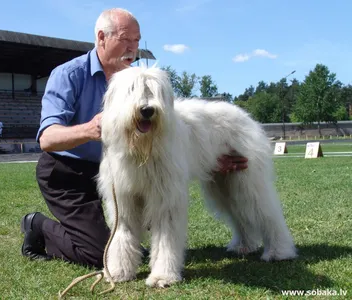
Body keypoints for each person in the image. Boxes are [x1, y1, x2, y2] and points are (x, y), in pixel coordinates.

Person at [20, 8, 248, 267]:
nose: (133, 48)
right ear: (101, 37)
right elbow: (47, 138)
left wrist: (207, 159)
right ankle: (37, 225)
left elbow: (169, 133)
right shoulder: (69, 75)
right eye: (126, 40)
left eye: (137, 41)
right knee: (99, 255)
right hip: (67, 173)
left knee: (142, 223)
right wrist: (90, 129)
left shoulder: (143, 79)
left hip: (122, 170)